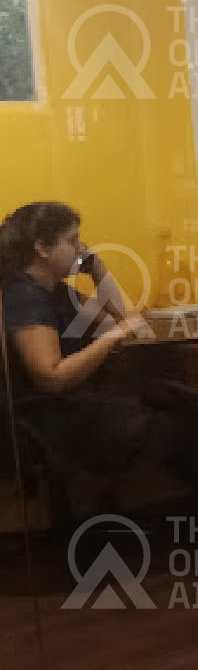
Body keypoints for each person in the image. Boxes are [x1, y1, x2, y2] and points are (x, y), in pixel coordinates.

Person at [0, 202, 155, 477]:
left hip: (71, 406)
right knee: (164, 429)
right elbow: (51, 378)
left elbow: (121, 320)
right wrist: (109, 340)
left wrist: (98, 269)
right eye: (72, 241)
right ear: (42, 248)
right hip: (47, 418)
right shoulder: (24, 296)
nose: (81, 248)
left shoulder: (56, 291)